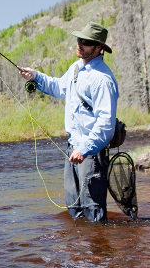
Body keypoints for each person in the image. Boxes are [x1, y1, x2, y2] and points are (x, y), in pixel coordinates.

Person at [19, 22, 118, 222]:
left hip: (91, 154)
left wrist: (84, 149)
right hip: (72, 150)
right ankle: (79, 252)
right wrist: (35, 76)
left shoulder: (103, 80)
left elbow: (106, 124)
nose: (79, 44)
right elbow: (58, 87)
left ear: (98, 48)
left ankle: (99, 252)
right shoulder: (75, 68)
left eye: (86, 42)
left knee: (94, 214)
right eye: (79, 40)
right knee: (75, 211)